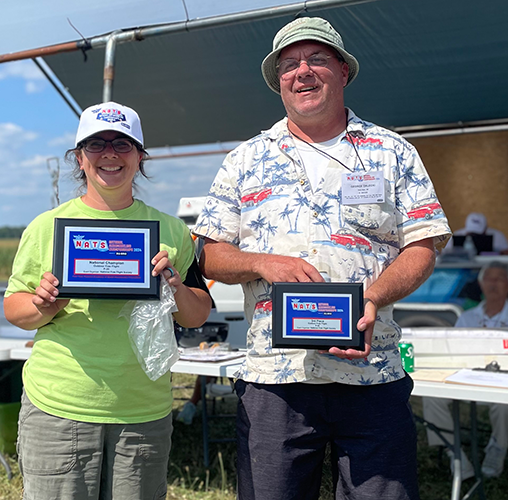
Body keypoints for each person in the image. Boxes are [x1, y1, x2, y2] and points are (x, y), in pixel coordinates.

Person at [193, 15, 452, 500]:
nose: (302, 72)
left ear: (343, 71)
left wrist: (372, 298)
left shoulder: (391, 152)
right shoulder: (246, 158)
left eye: (317, 60)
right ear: (278, 82)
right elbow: (208, 256)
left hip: (371, 369)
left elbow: (422, 246)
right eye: (289, 64)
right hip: (276, 376)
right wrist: (262, 263)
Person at [4, 101, 212, 500]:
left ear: (140, 158)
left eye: (123, 144)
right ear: (79, 158)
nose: (110, 154)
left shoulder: (170, 230)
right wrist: (44, 305)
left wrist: (175, 289)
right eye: (96, 144)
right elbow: (16, 308)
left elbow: (197, 313)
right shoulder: (46, 228)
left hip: (143, 411)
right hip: (59, 405)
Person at [423, 262, 508, 478]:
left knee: (504, 404)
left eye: (500, 278)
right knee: (432, 397)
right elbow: (455, 353)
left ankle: (498, 448)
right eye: (489, 278)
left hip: (503, 380)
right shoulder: (467, 317)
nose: (493, 283)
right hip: (468, 376)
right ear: (480, 284)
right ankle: (455, 454)